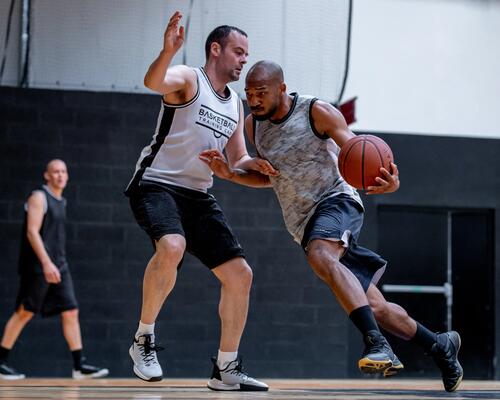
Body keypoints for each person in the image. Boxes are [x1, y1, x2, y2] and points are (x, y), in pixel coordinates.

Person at [199, 60, 463, 393]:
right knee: (376, 307)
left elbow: (356, 149)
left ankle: (377, 344)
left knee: (321, 255)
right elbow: (270, 178)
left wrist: (385, 180)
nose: (253, 100)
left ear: (281, 88)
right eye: (249, 94)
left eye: (261, 93)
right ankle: (440, 345)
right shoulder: (254, 126)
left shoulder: (316, 112)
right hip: (303, 223)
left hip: (337, 201)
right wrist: (231, 174)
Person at [124, 11, 270, 391]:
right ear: (216, 49)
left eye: (246, 54)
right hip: (156, 184)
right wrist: (167, 51)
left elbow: (237, 160)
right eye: (238, 52)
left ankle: (226, 369)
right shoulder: (190, 78)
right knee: (172, 245)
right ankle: (143, 341)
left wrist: (262, 165)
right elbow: (153, 81)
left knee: (241, 276)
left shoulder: (235, 105)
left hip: (198, 194)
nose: (243, 60)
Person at [0, 159, 109, 380]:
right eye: (55, 172)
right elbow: (32, 232)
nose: (60, 175)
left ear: (67, 176)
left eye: (63, 171)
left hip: (59, 264)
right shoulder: (39, 197)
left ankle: (79, 366)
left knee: (71, 310)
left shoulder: (62, 201)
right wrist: (46, 263)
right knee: (25, 312)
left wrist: (55, 263)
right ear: (47, 176)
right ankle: (0, 361)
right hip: (40, 265)